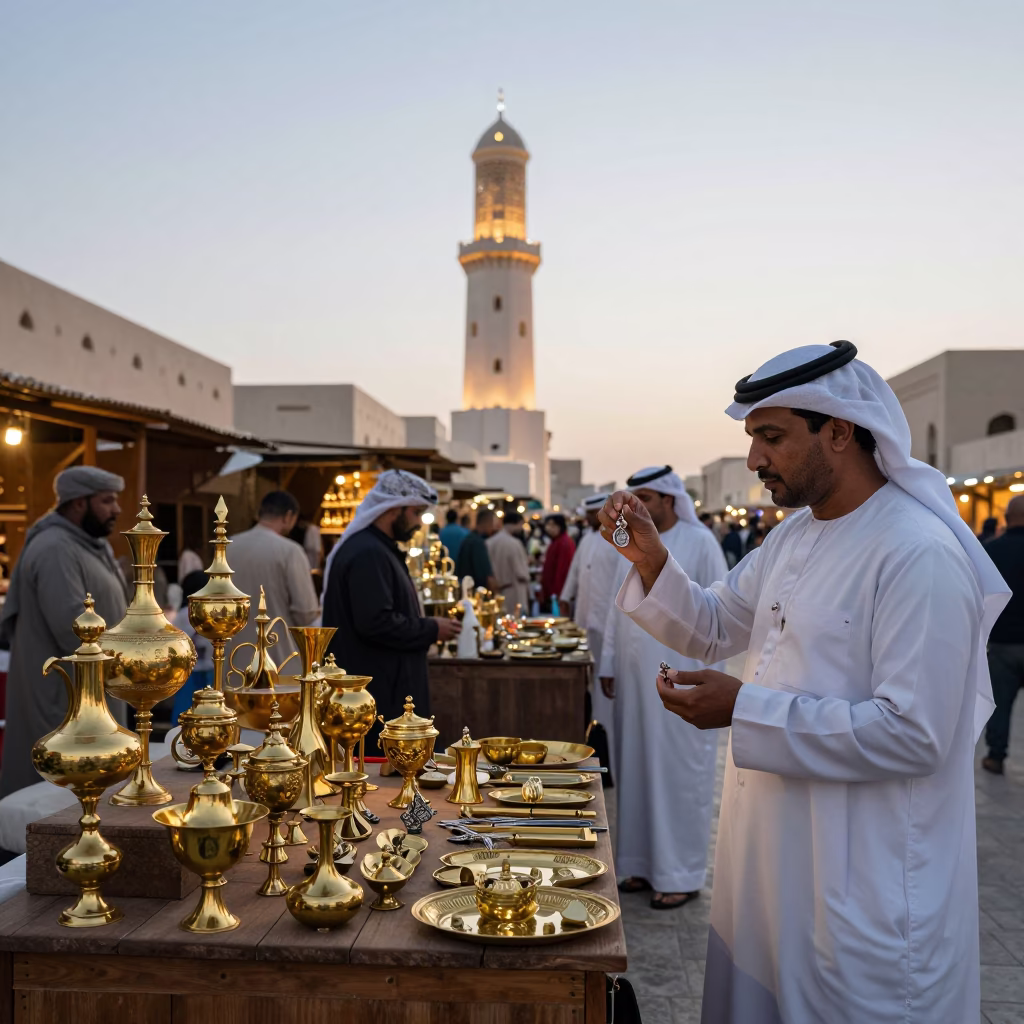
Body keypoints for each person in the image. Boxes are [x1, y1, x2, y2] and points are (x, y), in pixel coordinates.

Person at [599, 341, 1008, 1023]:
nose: (756, 458)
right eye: (753, 439)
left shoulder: (917, 553)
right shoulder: (791, 540)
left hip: (865, 886)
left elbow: (916, 735)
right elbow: (712, 623)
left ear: (840, 432)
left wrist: (745, 710)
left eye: (772, 437)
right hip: (771, 870)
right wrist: (651, 560)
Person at [598, 468, 727, 910]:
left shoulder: (702, 542)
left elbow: (721, 617)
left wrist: (709, 678)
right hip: (636, 680)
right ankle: (637, 864)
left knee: (676, 773)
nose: (640, 506)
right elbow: (618, 611)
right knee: (635, 767)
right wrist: (611, 662)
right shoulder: (632, 543)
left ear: (670, 500)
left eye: (648, 497)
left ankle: (679, 873)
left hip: (682, 675)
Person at [0, 466, 131, 798]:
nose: (116, 509)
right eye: (107, 501)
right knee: (53, 802)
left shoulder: (87, 545)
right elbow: (74, 631)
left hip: (94, 694)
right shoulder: (55, 548)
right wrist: (131, 665)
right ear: (78, 503)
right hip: (66, 697)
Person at [321, 470, 461, 738]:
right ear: (393, 510)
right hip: (378, 691)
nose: (420, 523)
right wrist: (431, 628)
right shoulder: (368, 553)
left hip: (384, 685)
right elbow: (376, 622)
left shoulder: (377, 548)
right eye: (416, 513)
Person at [229, 491, 320, 662]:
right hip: (277, 656)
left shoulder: (228, 547)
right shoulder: (291, 551)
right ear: (288, 516)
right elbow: (305, 611)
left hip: (233, 656)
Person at [981, 495, 1024, 774]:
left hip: (1003, 643)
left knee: (1000, 704)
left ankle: (996, 756)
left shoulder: (992, 551)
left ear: (1007, 519)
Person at [170, 570, 214, 724]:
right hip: (204, 669)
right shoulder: (205, 612)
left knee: (185, 711)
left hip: (192, 671)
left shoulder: (182, 614)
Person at [486, 511, 530, 614]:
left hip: (495, 591)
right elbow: (521, 572)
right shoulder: (514, 543)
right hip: (514, 591)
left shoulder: (489, 541)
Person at [454, 509, 500, 592]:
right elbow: (486, 575)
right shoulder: (477, 542)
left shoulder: (469, 539)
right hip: (476, 591)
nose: (493, 527)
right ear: (487, 523)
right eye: (492, 524)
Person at [539, 514, 575, 612]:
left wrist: (558, 593)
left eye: (553, 525)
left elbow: (563, 570)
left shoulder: (564, 543)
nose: (549, 528)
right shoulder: (556, 541)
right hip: (553, 592)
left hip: (558, 593)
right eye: (548, 525)